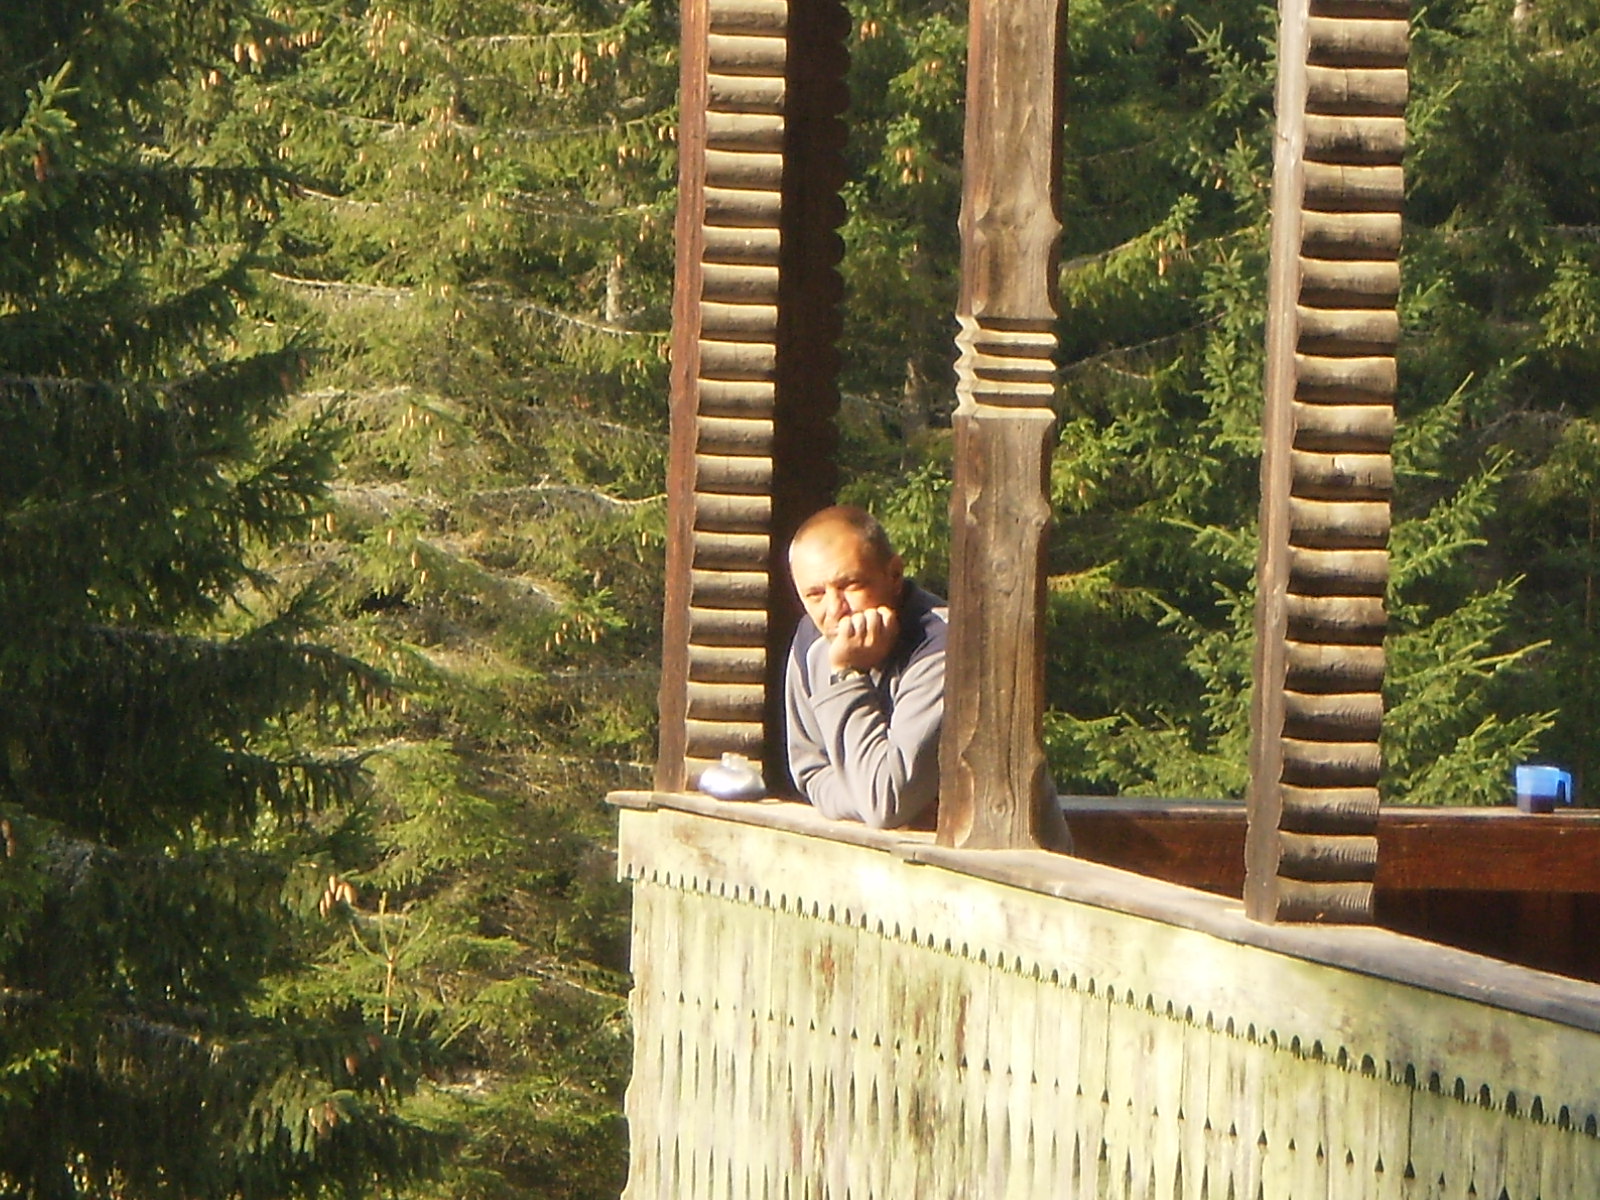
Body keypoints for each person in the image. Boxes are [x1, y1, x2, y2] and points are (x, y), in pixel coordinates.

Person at [783, 506, 946, 829]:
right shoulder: (811, 642)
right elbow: (810, 772)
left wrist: (846, 674)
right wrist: (865, 800)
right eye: (815, 594)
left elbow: (886, 802)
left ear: (894, 575)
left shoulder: (942, 645)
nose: (834, 609)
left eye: (851, 585)